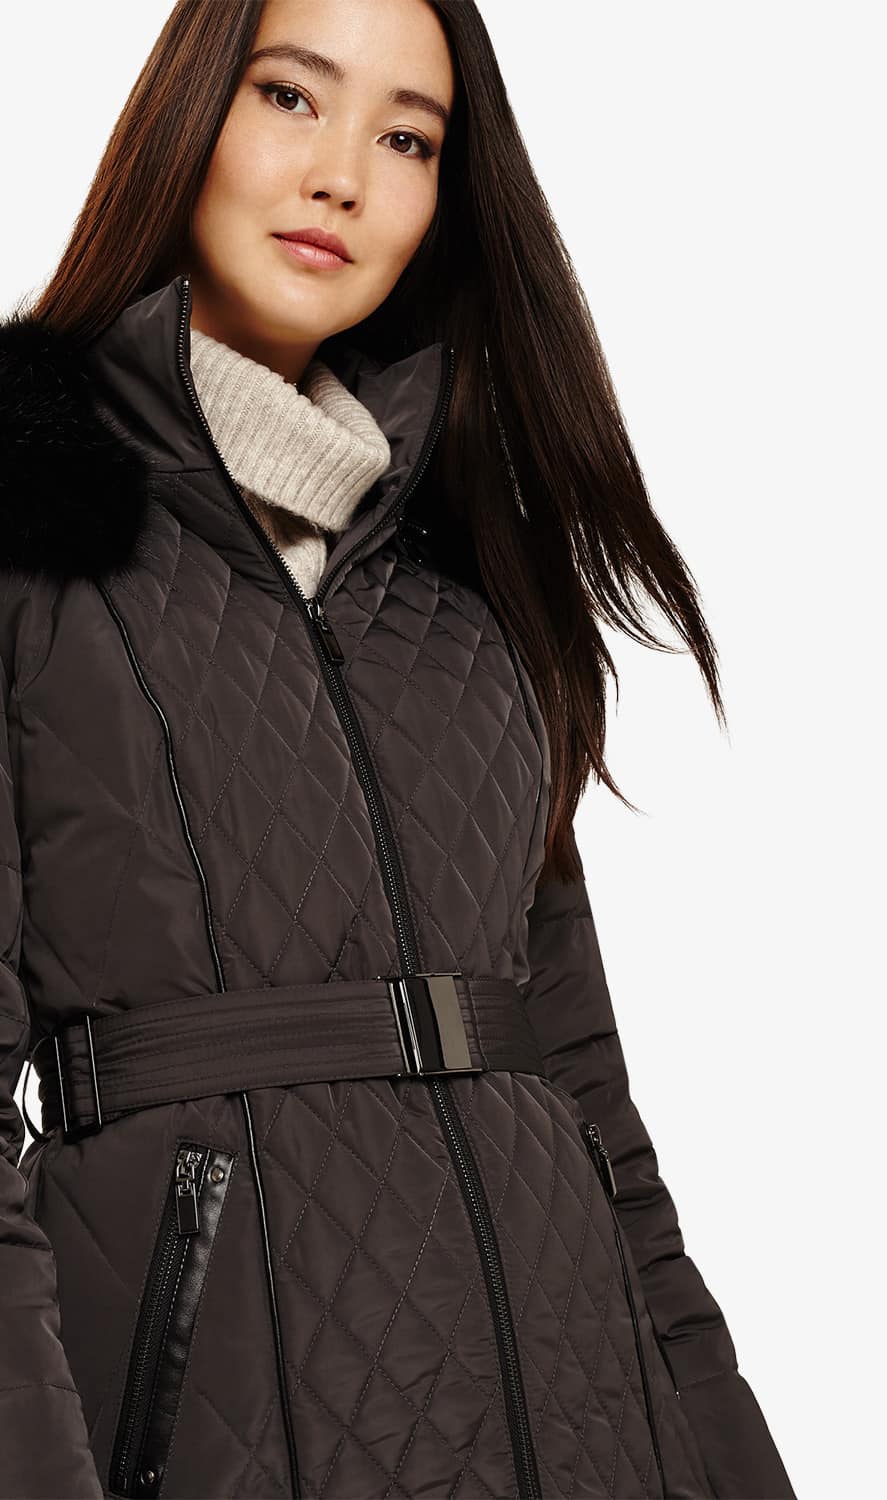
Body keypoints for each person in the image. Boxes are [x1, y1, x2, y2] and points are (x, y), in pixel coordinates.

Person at [0, 1, 795, 1496]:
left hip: (582, 1421)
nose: (343, 175)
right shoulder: (26, 520)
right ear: (187, 113)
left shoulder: (468, 582)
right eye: (292, 98)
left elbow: (589, 1096)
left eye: (409, 138)